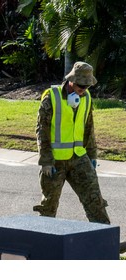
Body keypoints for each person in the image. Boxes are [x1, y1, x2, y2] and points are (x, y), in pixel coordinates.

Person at [33, 62, 110, 224]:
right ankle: (44, 242)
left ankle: (104, 241)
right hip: (55, 161)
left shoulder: (86, 98)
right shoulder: (52, 97)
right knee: (48, 206)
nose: (83, 89)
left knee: (95, 201)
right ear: (71, 81)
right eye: (80, 84)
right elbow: (42, 131)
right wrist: (46, 161)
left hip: (79, 158)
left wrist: (92, 155)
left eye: (87, 86)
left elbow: (89, 128)